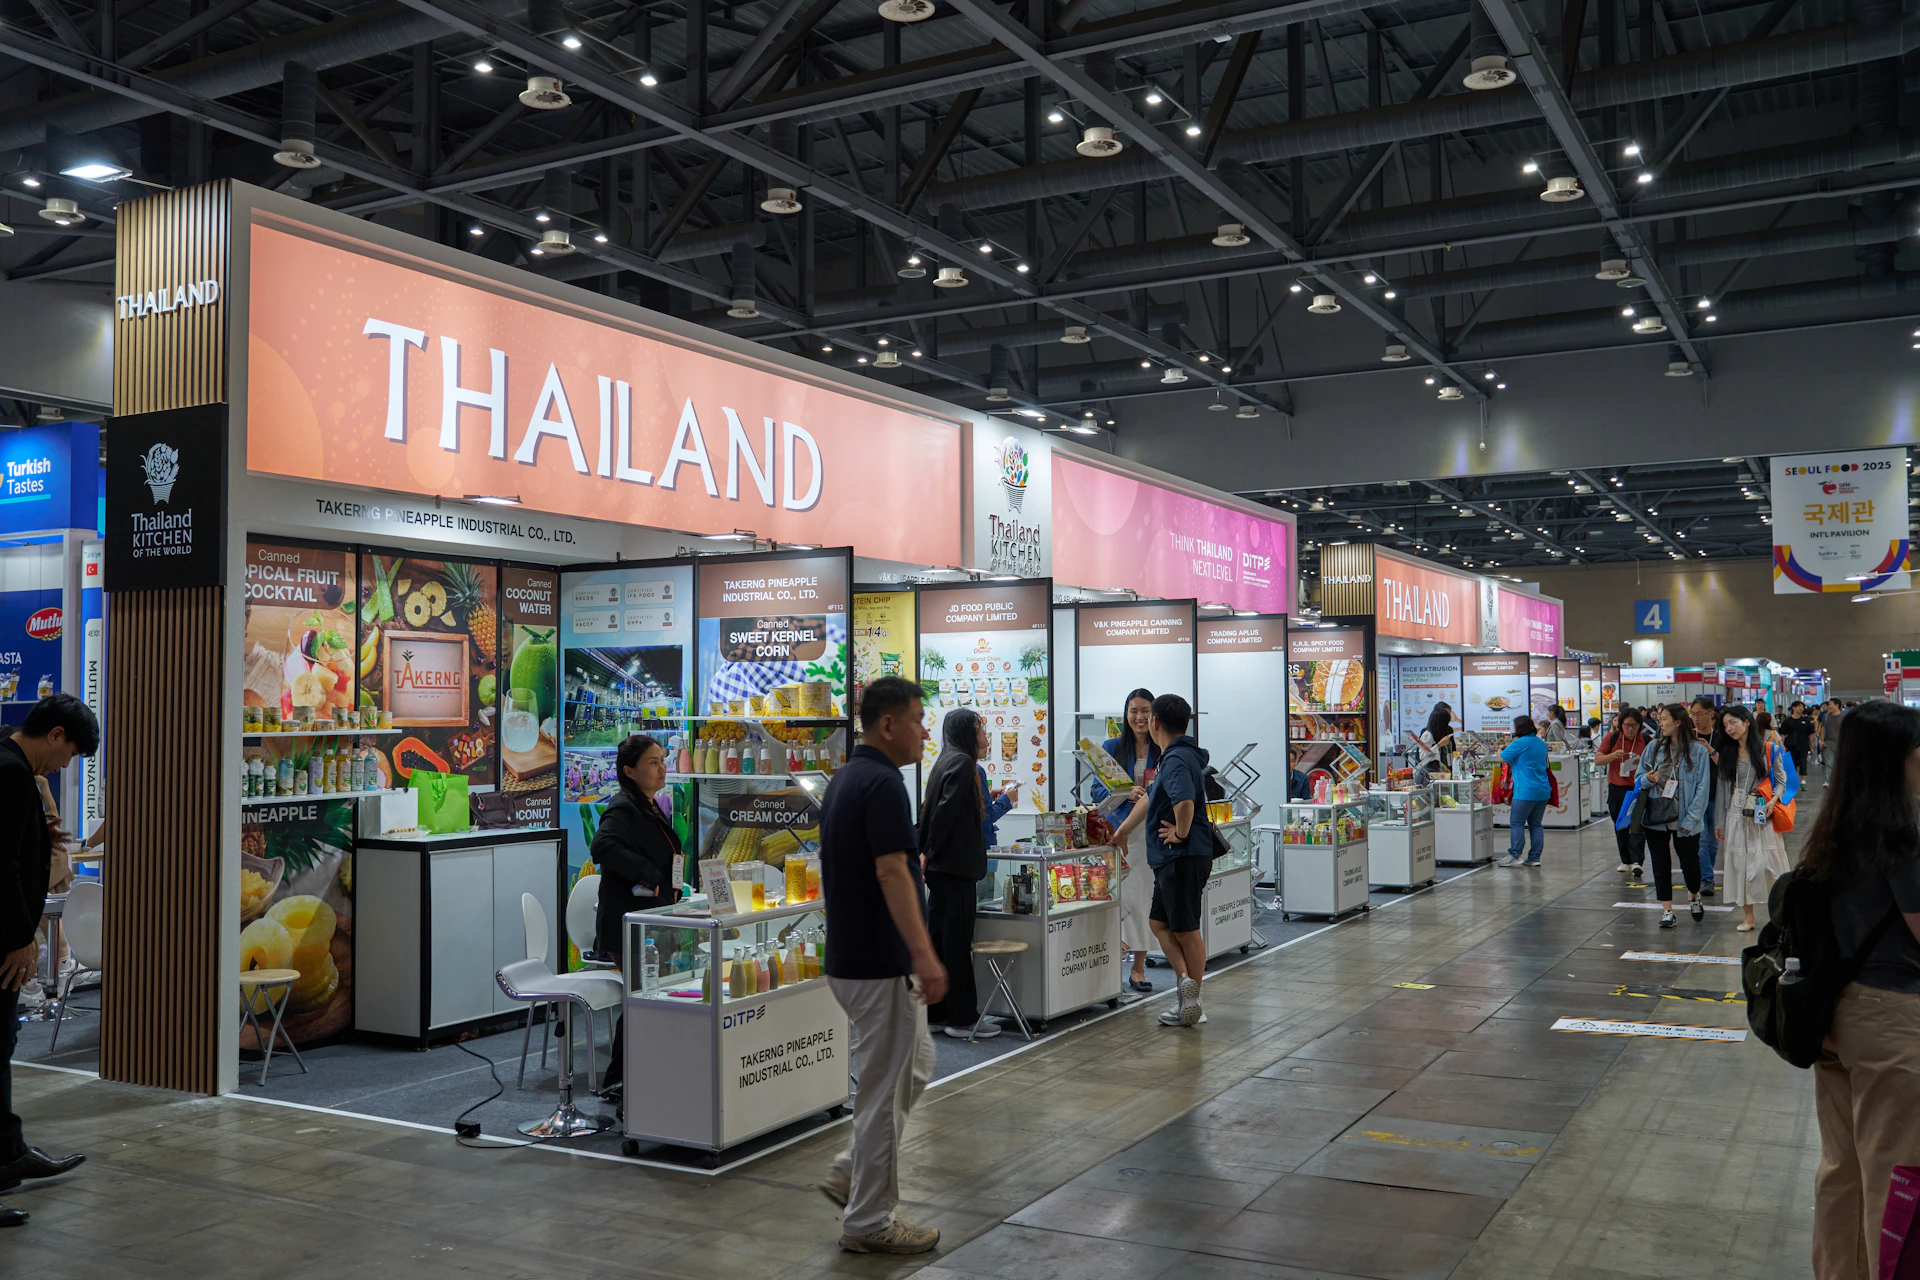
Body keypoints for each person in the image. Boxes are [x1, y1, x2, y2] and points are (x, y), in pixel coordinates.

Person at [817, 676, 942, 1255]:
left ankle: (850, 1169)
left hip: (854, 958)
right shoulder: (884, 783)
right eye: (918, 718)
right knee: (885, 1094)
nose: (925, 730)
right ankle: (869, 1220)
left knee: (914, 1064)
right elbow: (893, 871)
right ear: (887, 725)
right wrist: (922, 953)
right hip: (878, 963)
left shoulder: (846, 777)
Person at [1802, 700, 1920, 1279]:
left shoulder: (1834, 829)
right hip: (1896, 1021)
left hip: (1836, 1014)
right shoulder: (1907, 837)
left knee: (1842, 1169)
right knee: (1896, 1174)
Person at [0, 694, 99, 1229]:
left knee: (2, 1048)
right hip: (3, 941)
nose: (64, 767)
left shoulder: (8, 760)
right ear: (55, 735)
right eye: (69, 754)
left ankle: (8, 1152)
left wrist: (41, 836)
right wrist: (21, 937)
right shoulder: (12, 773)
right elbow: (2, 867)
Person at [591, 733, 682, 1096]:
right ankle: (620, 1079)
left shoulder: (648, 804)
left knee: (648, 998)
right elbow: (603, 847)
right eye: (653, 762)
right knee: (644, 999)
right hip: (628, 925)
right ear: (629, 771)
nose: (662, 768)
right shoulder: (623, 807)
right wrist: (649, 875)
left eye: (662, 760)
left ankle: (631, 1075)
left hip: (650, 921)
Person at [1112, 694, 1210, 1028]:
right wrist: (1123, 830)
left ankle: (1193, 1001)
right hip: (1170, 859)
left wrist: (1181, 832)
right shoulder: (1176, 755)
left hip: (1181, 857)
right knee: (1160, 924)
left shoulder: (1175, 759)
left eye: (1145, 714)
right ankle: (1186, 985)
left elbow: (1184, 801)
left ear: (1155, 722)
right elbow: (1153, 798)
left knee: (1187, 931)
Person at [918, 709, 998, 1039]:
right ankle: (963, 1018)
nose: (985, 734)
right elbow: (944, 813)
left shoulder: (944, 760)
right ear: (969, 731)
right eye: (980, 728)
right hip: (956, 868)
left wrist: (925, 853)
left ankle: (936, 1014)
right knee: (957, 945)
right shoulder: (964, 764)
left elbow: (929, 812)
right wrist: (931, 850)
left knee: (940, 941)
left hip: (941, 869)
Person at [1093, 689, 1159, 993]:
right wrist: (1123, 794)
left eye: (1145, 710)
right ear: (1126, 713)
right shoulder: (1111, 747)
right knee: (1116, 900)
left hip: (1153, 836)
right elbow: (1096, 791)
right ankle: (1108, 967)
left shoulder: (1163, 748)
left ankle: (1138, 967)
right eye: (1134, 711)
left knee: (1142, 899)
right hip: (1118, 834)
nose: (1139, 717)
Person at [1715, 703, 1796, 933]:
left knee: (1768, 865)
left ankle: (1780, 914)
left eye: (1733, 722)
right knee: (1741, 865)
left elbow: (1782, 781)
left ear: (1747, 721)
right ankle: (1748, 917)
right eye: (1725, 725)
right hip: (1736, 813)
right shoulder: (1727, 752)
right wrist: (1719, 822)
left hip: (1762, 810)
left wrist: (1773, 801)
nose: (1729, 728)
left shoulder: (1768, 749)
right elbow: (1722, 789)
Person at [1635, 704, 1711, 928]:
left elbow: (1702, 788)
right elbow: (1638, 779)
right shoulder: (1653, 747)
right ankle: (1667, 910)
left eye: (1664, 719)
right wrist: (1648, 779)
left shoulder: (1698, 751)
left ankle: (1694, 895)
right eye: (1659, 719)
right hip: (1656, 816)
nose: (1660, 723)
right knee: (1660, 864)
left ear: (1678, 722)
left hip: (1685, 819)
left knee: (1690, 864)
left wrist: (1691, 819)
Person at [1597, 708, 1649, 876]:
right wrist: (1613, 756)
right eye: (1627, 725)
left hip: (1638, 788)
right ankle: (1625, 860)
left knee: (1637, 824)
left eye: (1634, 725)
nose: (1630, 729)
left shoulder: (1646, 740)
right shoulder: (1612, 738)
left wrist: (1644, 762)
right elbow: (1598, 759)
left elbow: (1657, 763)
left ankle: (1637, 861)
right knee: (1620, 824)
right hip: (1617, 788)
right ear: (1621, 725)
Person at [1499, 715, 1550, 868]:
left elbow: (1502, 758)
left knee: (1517, 823)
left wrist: (1499, 749)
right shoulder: (1540, 743)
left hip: (1525, 791)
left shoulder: (1520, 743)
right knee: (1536, 825)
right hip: (1543, 790)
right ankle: (1534, 858)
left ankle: (1515, 855)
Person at [1690, 697, 1724, 897]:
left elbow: (1726, 766)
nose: (1695, 718)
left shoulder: (1721, 738)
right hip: (1694, 797)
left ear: (1711, 714)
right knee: (1701, 840)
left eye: (1699, 714)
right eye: (1692, 714)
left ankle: (1706, 875)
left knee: (1713, 840)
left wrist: (1709, 749)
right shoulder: (1687, 737)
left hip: (1717, 795)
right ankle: (1707, 878)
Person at [1779, 701, 1816, 783]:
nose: (1801, 708)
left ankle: (1803, 781)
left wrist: (1812, 747)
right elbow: (1783, 734)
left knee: (1803, 762)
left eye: (1802, 707)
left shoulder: (1806, 720)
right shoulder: (1787, 721)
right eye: (1799, 706)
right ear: (1793, 708)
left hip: (1803, 745)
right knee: (1792, 764)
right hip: (1791, 746)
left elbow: (1811, 734)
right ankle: (1793, 780)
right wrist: (1782, 746)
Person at [1820, 698, 1847, 785]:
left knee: (1841, 763)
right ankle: (1828, 781)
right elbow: (1823, 728)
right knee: (1829, 763)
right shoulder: (1826, 716)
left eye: (1830, 704)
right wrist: (1822, 740)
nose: (1829, 706)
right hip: (1829, 743)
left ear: (1837, 705)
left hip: (1841, 744)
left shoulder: (1844, 717)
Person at [1422, 702, 1456, 768]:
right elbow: (1423, 756)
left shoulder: (1448, 730)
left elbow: (1451, 749)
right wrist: (1439, 745)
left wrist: (1443, 766)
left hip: (1444, 768)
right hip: (1430, 772)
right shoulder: (1428, 734)